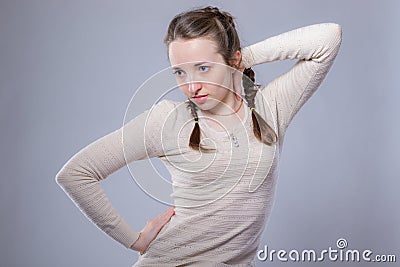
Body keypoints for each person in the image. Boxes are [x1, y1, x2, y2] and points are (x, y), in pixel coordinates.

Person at [55, 6, 342, 267]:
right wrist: (135, 240)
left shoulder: (269, 108)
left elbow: (327, 38)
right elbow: (76, 174)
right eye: (179, 72)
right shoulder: (167, 120)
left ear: (233, 60)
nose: (191, 86)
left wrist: (243, 58)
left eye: (203, 68)